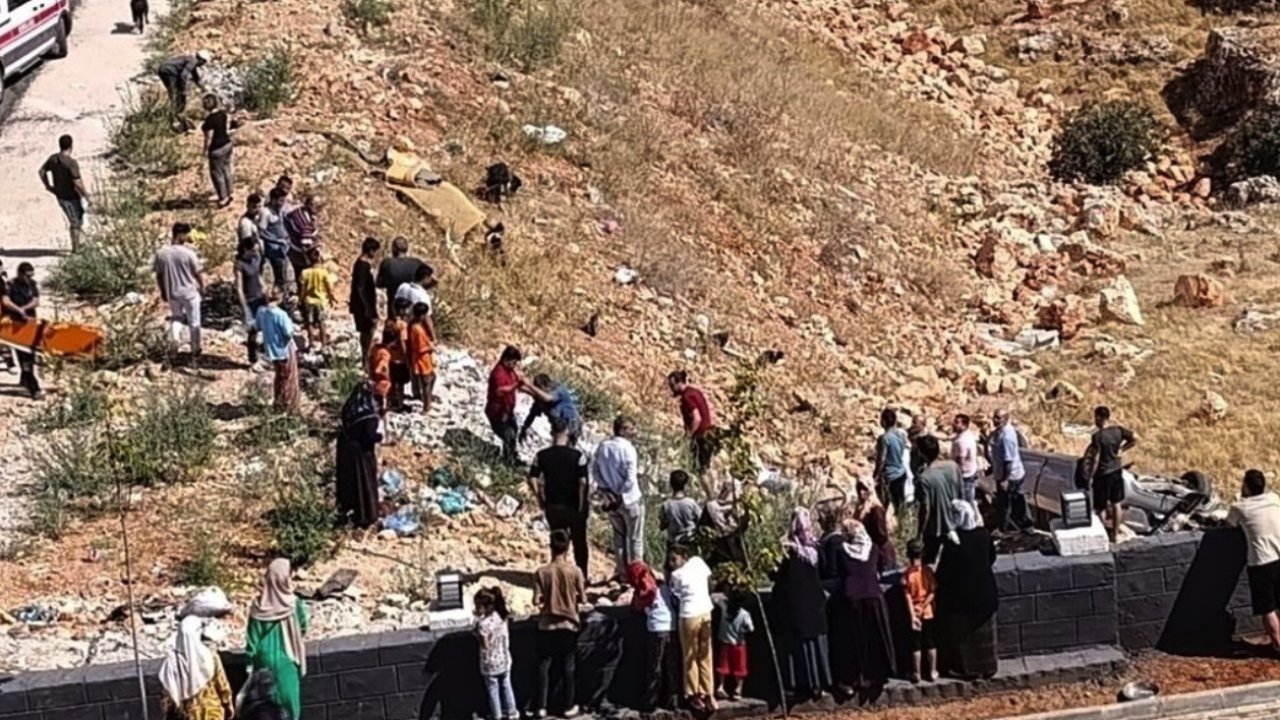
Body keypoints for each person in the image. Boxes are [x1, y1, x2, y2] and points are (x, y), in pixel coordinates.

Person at [773, 508, 831, 701]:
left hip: (797, 606)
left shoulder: (789, 550)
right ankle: (816, 684)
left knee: (799, 647)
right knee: (813, 646)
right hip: (813, 605)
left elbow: (779, 577)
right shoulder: (814, 548)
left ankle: (801, 685)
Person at [936, 500, 998, 680]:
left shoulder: (953, 541)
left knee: (962, 638)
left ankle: (966, 670)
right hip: (985, 596)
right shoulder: (983, 535)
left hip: (961, 602)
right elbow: (991, 558)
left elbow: (944, 571)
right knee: (984, 636)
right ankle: (987, 667)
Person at [836, 517, 895, 694]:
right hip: (874, 597)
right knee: (874, 639)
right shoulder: (874, 549)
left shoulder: (842, 551)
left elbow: (838, 572)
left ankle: (855, 678)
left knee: (855, 642)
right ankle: (877, 675)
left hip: (852, 599)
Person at [245, 558, 308, 720]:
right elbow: (303, 627)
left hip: (263, 662)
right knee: (290, 705)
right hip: (287, 661)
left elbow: (251, 641)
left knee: (266, 708)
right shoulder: (293, 604)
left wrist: (249, 664)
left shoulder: (258, 606)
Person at [533, 529, 585, 719]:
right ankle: (569, 706)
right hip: (568, 625)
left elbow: (536, 601)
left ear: (550, 547)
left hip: (546, 625)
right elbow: (583, 597)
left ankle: (541, 707)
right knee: (568, 667)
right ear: (568, 547)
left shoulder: (541, 572)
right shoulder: (576, 571)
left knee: (543, 667)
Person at [529, 417, 591, 576]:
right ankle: (581, 576)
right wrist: (581, 502)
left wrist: (540, 498)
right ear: (568, 432)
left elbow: (532, 478)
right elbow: (583, 482)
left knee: (558, 540)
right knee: (579, 542)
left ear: (552, 432)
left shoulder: (541, 455)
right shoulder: (578, 456)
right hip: (574, 506)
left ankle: (557, 574)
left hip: (553, 505)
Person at [1227, 470, 1280, 652]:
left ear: (1246, 487)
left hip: (1261, 562)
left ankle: (1278, 646)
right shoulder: (1274, 499)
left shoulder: (1240, 507)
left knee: (1268, 608)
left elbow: (1229, 524)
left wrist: (1238, 498)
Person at [593, 416, 644, 579]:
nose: (634, 432)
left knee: (619, 536)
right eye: (630, 428)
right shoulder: (628, 449)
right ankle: (637, 575)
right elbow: (630, 479)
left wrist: (607, 491)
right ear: (622, 430)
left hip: (611, 500)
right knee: (635, 538)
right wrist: (620, 493)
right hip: (629, 499)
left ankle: (622, 573)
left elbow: (596, 472)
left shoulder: (603, 447)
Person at [158, 615, 233, 720]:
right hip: (212, 713)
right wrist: (228, 705)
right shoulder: (210, 657)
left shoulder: (171, 663)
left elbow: (167, 698)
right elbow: (222, 686)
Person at [669, 544, 715, 711]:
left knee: (690, 656)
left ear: (684, 556)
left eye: (674, 559)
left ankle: (694, 694)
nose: (672, 563)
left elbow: (676, 596)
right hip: (705, 612)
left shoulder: (676, 575)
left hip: (688, 615)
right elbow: (710, 583)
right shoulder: (699, 562)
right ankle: (708, 692)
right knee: (705, 654)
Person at [628, 562, 679, 712]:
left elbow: (635, 608)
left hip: (656, 630)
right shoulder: (662, 586)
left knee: (654, 667)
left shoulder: (643, 590)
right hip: (672, 626)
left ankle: (650, 703)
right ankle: (673, 701)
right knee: (671, 667)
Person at [153, 223, 204, 362]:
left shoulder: (161, 253)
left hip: (172, 292)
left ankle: (175, 341)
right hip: (189, 292)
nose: (188, 237)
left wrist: (163, 291)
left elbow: (159, 275)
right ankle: (195, 351)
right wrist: (203, 286)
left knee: (176, 318)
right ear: (181, 235)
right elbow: (197, 272)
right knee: (194, 322)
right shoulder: (189, 254)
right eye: (187, 234)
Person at [335, 381, 384, 529]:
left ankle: (348, 512)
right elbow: (369, 436)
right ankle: (365, 515)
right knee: (364, 483)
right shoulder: (368, 414)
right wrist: (380, 437)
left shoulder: (349, 409)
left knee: (349, 483)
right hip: (361, 454)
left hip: (345, 450)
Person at [1086, 405, 1138, 539]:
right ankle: (1115, 534)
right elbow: (1135, 438)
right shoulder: (1118, 431)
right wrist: (1122, 449)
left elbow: (1096, 459)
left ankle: (1103, 536)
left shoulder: (1097, 437)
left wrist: (1090, 476)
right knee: (1116, 504)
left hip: (1102, 474)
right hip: (1116, 471)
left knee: (1101, 507)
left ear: (1098, 417)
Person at [474, 587, 518, 720]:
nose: (476, 609)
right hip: (504, 658)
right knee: (506, 685)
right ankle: (512, 712)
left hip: (490, 663)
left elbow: (485, 645)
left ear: (485, 607)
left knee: (493, 690)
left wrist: (476, 633)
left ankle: (497, 715)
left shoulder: (483, 625)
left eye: (478, 606)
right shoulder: (501, 616)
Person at [38, 134, 89, 251]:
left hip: (60, 195)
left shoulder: (53, 159)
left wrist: (48, 186)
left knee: (77, 218)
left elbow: (41, 171)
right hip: (71, 196)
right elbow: (77, 182)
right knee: (75, 221)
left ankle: (78, 244)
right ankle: (76, 248)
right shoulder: (71, 163)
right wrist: (86, 194)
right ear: (71, 146)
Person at [916, 435, 961, 564]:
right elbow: (960, 491)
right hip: (955, 521)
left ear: (922, 453)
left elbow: (925, 508)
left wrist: (919, 533)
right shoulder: (953, 467)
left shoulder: (924, 477)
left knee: (928, 562)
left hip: (935, 527)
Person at [254, 290, 299, 412]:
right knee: (287, 377)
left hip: (271, 348)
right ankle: (286, 404)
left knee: (279, 376)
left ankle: (278, 402)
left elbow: (257, 327)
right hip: (284, 348)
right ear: (279, 298)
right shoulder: (281, 314)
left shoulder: (261, 312)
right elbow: (288, 333)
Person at [667, 370, 718, 477]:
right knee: (704, 470)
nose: (671, 389)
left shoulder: (687, 397)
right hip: (709, 434)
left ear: (679, 383)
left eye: (672, 385)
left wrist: (688, 436)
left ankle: (707, 493)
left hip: (700, 438)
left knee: (697, 471)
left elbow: (697, 418)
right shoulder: (695, 392)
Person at [2, 262, 41, 397]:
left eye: (31, 276)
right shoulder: (11, 285)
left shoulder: (32, 285)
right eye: (27, 276)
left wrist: (24, 309)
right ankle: (33, 387)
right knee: (23, 355)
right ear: (20, 274)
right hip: (16, 325)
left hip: (30, 323)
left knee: (30, 354)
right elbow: (6, 301)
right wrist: (18, 310)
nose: (29, 278)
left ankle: (25, 379)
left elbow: (36, 300)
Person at [992, 409, 1032, 533]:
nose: (995, 420)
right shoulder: (1000, 432)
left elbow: (1008, 461)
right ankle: (1024, 525)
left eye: (998, 418)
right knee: (1016, 500)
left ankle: (1004, 529)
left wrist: (1005, 480)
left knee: (1005, 503)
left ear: (1006, 418)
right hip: (1005, 473)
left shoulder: (1007, 436)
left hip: (1010, 475)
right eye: (994, 417)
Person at [904, 538, 938, 683]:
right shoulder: (928, 571)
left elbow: (907, 597)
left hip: (915, 613)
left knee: (915, 645)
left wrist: (913, 614)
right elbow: (932, 592)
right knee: (930, 642)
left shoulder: (907, 574)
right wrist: (924, 606)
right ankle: (932, 671)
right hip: (928, 611)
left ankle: (916, 673)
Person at [486, 346, 526, 464]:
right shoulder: (498, 373)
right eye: (513, 362)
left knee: (514, 431)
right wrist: (515, 385)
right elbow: (500, 390)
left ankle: (512, 456)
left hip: (507, 410)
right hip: (497, 411)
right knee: (508, 434)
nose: (514, 366)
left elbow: (517, 383)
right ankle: (507, 461)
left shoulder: (510, 371)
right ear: (506, 359)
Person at [522, 374, 583, 446]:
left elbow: (548, 398)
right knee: (557, 449)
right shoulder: (539, 400)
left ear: (546, 385)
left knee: (563, 448)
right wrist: (524, 428)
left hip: (569, 423)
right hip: (557, 426)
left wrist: (529, 385)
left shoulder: (559, 390)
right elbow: (532, 415)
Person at [714, 592, 754, 701]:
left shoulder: (724, 609)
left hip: (725, 642)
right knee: (739, 668)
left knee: (723, 666)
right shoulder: (744, 614)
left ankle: (721, 686)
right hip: (739, 644)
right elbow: (751, 628)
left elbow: (715, 599)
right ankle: (738, 689)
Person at [157, 51, 210, 131]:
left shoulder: (191, 60)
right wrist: (183, 90)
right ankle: (175, 120)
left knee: (177, 95)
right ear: (202, 60)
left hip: (164, 69)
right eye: (204, 63)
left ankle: (177, 115)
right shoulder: (193, 61)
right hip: (169, 72)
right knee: (175, 95)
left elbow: (195, 77)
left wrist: (203, 88)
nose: (203, 65)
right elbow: (183, 75)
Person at [234, 235, 266, 366]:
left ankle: (264, 354)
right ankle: (253, 359)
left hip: (260, 297)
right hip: (250, 299)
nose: (255, 253)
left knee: (264, 327)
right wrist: (245, 308)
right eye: (253, 251)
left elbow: (258, 275)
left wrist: (265, 289)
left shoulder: (256, 258)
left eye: (257, 250)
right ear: (246, 250)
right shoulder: (239, 264)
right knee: (252, 330)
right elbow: (239, 288)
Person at [284, 194, 320, 307]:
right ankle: (304, 305)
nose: (319, 209)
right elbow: (305, 246)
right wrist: (313, 259)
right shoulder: (306, 224)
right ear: (309, 205)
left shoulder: (296, 212)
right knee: (304, 281)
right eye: (317, 206)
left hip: (291, 247)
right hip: (300, 255)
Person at [873, 406, 910, 514]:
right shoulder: (900, 435)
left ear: (883, 421)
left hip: (889, 475)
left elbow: (882, 459)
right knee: (899, 504)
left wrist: (875, 476)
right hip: (901, 472)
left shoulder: (884, 438)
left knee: (882, 504)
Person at [853, 479, 896, 571]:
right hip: (871, 553)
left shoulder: (876, 510)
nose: (861, 492)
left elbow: (882, 535)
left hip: (881, 555)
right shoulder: (861, 508)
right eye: (859, 489)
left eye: (864, 489)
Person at [299, 247, 336, 350]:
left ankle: (311, 344)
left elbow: (302, 289)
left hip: (308, 301)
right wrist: (332, 298)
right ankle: (323, 344)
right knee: (321, 323)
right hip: (321, 301)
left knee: (309, 323)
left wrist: (300, 300)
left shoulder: (304, 273)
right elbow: (329, 288)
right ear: (319, 258)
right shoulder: (324, 272)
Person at [349, 237, 380, 359]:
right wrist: (369, 310)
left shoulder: (360, 264)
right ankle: (365, 357)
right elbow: (361, 288)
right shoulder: (363, 266)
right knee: (368, 331)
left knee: (366, 331)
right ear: (371, 250)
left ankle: (365, 356)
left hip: (362, 304)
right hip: (363, 306)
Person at [200, 94, 233, 207]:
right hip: (227, 144)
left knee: (217, 174)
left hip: (217, 148)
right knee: (226, 169)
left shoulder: (209, 120)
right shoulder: (222, 114)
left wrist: (204, 151)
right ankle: (230, 192)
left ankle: (223, 198)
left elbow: (209, 137)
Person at [375, 235, 426, 307]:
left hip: (394, 307)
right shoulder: (417, 263)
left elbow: (379, 283)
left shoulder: (387, 263)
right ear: (407, 248)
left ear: (394, 249)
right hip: (414, 307)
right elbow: (431, 278)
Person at [258, 188, 291, 295]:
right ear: (273, 200)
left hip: (282, 250)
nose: (282, 204)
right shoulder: (266, 212)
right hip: (273, 250)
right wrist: (277, 241)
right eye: (280, 201)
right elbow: (261, 232)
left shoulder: (279, 211)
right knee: (279, 277)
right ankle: (278, 297)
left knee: (284, 277)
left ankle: (283, 296)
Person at [393, 263, 437, 341]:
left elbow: (395, 302)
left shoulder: (403, 286)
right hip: (411, 330)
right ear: (426, 278)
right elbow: (427, 318)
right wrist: (433, 337)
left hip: (395, 326)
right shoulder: (423, 296)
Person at [407, 302, 436, 412]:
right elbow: (420, 347)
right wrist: (430, 348)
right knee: (426, 383)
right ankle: (426, 406)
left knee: (431, 378)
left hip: (421, 359)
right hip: (422, 359)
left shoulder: (413, 326)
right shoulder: (418, 330)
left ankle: (426, 401)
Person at [660, 470, 701, 546]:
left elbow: (662, 526)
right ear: (685, 486)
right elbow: (700, 520)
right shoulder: (691, 503)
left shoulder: (666, 505)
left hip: (674, 542)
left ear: (671, 485)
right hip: (690, 540)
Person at [951, 413, 980, 506]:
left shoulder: (962, 441)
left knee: (964, 503)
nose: (953, 424)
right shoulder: (966, 434)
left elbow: (961, 460)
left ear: (964, 425)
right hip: (970, 472)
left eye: (957, 422)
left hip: (964, 476)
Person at [367, 324, 397, 414]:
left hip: (372, 380)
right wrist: (386, 376)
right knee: (382, 408)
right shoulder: (385, 354)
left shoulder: (375, 348)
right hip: (383, 383)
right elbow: (379, 368)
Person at [907, 413, 932, 486]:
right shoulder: (909, 432)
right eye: (912, 421)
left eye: (915, 422)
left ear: (922, 425)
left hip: (920, 467)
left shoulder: (926, 438)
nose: (912, 424)